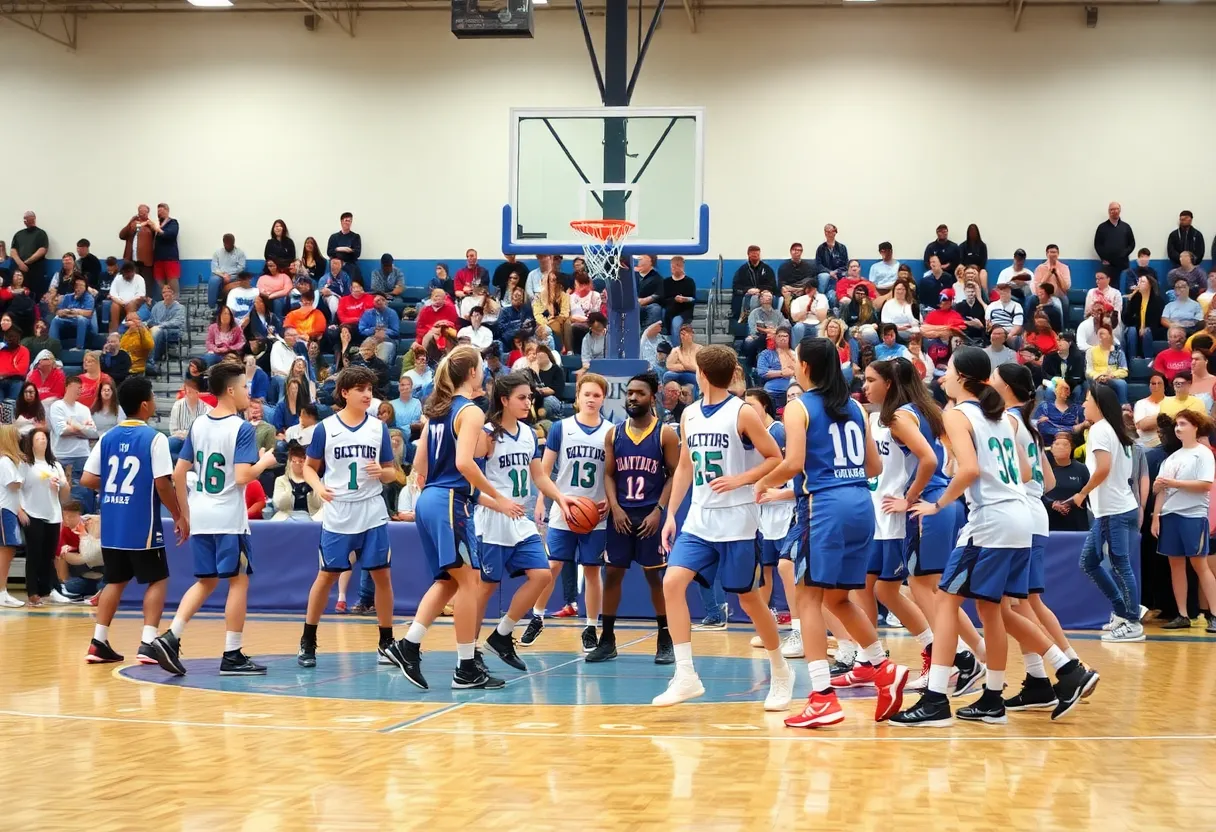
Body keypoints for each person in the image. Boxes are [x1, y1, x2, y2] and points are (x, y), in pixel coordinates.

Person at [891, 348, 1095, 726]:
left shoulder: (956, 413)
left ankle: (936, 699)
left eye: (947, 370)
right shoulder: (1001, 415)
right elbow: (1022, 471)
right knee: (995, 610)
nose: (942, 377)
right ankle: (1002, 695)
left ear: (963, 377)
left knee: (947, 602)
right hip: (1019, 517)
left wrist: (937, 505)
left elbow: (968, 471)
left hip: (992, 522)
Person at [747, 339, 905, 726]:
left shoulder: (799, 407)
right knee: (837, 600)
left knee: (806, 599)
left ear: (803, 366)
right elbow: (874, 466)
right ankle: (885, 670)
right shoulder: (854, 407)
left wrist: (762, 481)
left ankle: (821, 696)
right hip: (860, 506)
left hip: (824, 508)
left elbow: (795, 461)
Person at [649, 345, 788, 709]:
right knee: (672, 582)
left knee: (748, 599)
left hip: (738, 520)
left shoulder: (742, 413)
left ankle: (781, 671)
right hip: (699, 519)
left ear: (703, 375)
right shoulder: (690, 414)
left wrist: (741, 479)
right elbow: (683, 468)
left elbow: (775, 457)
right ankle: (685, 675)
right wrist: (671, 513)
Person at [390, 347, 522, 690]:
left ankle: (409, 645)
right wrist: (497, 495)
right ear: (474, 373)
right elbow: (465, 464)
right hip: (449, 502)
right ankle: (465, 667)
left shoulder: (438, 411)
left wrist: (488, 501)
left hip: (432, 499)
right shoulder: (471, 412)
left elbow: (419, 467)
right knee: (470, 583)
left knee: (449, 581)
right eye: (481, 368)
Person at [863, 359, 987, 694]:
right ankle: (974, 656)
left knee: (927, 593)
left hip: (926, 507)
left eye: (871, 379)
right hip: (935, 507)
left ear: (889, 383)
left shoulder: (900, 416)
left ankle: (962, 660)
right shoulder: (923, 410)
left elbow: (931, 461)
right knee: (927, 593)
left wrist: (910, 497)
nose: (865, 385)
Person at [148, 363, 278, 677]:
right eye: (245, 387)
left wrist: (183, 515)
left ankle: (170, 636)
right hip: (228, 518)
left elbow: (179, 472)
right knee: (238, 581)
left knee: (205, 581)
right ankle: (232, 654)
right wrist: (266, 461)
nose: (249, 393)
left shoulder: (198, 425)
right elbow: (243, 475)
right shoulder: (241, 427)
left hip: (202, 511)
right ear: (231, 390)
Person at [992, 364, 1092, 712]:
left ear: (1005, 386)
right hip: (1035, 512)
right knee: (1025, 603)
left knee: (1019, 604)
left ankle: (1072, 665)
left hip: (1020, 514)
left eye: (994, 378)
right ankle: (1040, 679)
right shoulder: (1031, 426)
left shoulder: (1008, 420)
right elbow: (1048, 483)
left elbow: (1021, 474)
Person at [296, 367, 400, 672]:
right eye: (361, 389)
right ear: (345, 393)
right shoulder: (325, 429)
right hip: (339, 512)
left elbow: (392, 471)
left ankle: (386, 642)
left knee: (382, 576)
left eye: (370, 389)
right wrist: (318, 487)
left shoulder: (378, 429)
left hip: (371, 511)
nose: (368, 394)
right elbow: (309, 468)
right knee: (326, 576)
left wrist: (384, 473)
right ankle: (308, 640)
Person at [80, 377, 188, 665]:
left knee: (114, 580)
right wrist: (178, 515)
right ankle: (148, 642)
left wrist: (114, 487)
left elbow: (87, 478)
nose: (154, 401)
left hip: (113, 525)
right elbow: (163, 484)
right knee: (158, 578)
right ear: (145, 405)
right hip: (141, 524)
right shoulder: (155, 438)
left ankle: (98, 641)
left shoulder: (107, 437)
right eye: (152, 396)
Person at [472, 373, 568, 672]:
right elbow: (471, 487)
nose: (529, 402)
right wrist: (498, 503)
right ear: (504, 400)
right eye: (522, 397)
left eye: (530, 397)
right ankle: (470, 649)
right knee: (485, 589)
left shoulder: (528, 433)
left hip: (520, 517)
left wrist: (562, 498)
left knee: (542, 574)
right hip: (492, 519)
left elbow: (539, 476)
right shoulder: (485, 435)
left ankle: (502, 634)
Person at [592, 373, 681, 664]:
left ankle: (665, 638)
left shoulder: (665, 433)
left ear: (652, 396)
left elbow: (674, 476)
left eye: (639, 393)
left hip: (649, 516)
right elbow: (608, 474)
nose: (632, 397)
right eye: (629, 393)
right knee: (613, 574)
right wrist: (615, 508)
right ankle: (607, 640)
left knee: (655, 576)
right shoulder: (614, 433)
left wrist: (659, 511)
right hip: (620, 515)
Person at [524, 374, 613, 652]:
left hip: (594, 513)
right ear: (577, 396)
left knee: (592, 571)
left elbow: (614, 474)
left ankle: (590, 626)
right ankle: (537, 617)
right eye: (586, 394)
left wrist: (610, 501)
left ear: (603, 399)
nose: (590, 399)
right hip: (564, 510)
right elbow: (544, 470)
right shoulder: (561, 428)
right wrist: (542, 501)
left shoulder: (611, 431)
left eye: (596, 395)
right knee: (552, 567)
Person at [1072, 383, 1145, 643]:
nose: (1083, 405)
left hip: (1113, 509)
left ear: (1099, 404)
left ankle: (1133, 621)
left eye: (1087, 400)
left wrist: (1082, 493)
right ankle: (1123, 611)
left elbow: (1102, 469)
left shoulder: (1101, 430)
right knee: (1089, 562)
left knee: (1119, 564)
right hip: (1116, 507)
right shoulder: (1115, 430)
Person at [744, 388, 804, 659]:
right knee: (766, 571)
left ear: (765, 406)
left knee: (789, 571)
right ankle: (767, 627)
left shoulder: (779, 431)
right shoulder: (749, 433)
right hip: (766, 512)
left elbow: (796, 471)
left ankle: (799, 629)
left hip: (787, 508)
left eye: (752, 405)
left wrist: (780, 491)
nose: (747, 410)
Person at [1152, 409, 1216, 631]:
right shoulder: (1172, 458)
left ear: (1195, 427)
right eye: (1177, 424)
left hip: (1193, 515)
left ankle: (1214, 614)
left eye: (1183, 424)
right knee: (1175, 565)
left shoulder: (1204, 453)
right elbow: (1159, 489)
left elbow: (1206, 484)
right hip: (1170, 515)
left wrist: (1174, 483)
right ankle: (1182, 614)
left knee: (1200, 564)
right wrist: (1156, 516)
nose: (1178, 428)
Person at [17, 427, 66, 607]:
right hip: (32, 513)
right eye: (39, 439)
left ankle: (47, 590)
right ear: (31, 443)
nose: (43, 441)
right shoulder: (26, 465)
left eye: (45, 438)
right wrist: (20, 510)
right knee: (34, 553)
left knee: (48, 555)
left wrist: (61, 484)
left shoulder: (55, 466)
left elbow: (66, 493)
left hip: (53, 514)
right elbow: (17, 489)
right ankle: (32, 592)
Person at [49, 375, 97, 484]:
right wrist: (83, 428)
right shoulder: (57, 406)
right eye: (77, 387)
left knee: (83, 491)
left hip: (83, 455)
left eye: (81, 388)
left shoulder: (84, 409)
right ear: (68, 387)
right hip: (62, 455)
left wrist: (74, 425)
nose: (80, 390)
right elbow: (62, 431)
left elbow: (93, 433)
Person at [1043, 432, 1090, 531]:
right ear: (1051, 448)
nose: (1061, 447)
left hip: (1076, 523)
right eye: (1057, 444)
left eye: (1065, 444)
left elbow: (1088, 494)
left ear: (1071, 448)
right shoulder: (1043, 468)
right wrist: (1053, 504)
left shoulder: (1081, 469)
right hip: (1049, 523)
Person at [0, 426, 25, 608]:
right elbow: (14, 485)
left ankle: (4, 591)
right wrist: (24, 478)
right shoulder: (5, 461)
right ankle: (1, 592)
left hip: (10, 509)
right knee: (5, 551)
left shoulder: (9, 461)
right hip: (4, 510)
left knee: (9, 551)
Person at [271, 441, 322, 521]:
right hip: (287, 515)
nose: (297, 464)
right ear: (290, 462)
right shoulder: (281, 480)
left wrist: (312, 490)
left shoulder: (315, 479)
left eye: (301, 461)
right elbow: (278, 505)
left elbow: (319, 504)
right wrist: (289, 492)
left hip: (312, 516)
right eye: (294, 461)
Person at [1086, 324, 1129, 404]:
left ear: (1110, 336)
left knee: (1122, 384)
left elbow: (1124, 370)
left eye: (1103, 334)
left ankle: (1124, 408)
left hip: (1112, 378)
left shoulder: (1118, 352)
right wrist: (1099, 376)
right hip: (1097, 379)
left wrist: (1111, 375)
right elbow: (1089, 370)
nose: (1100, 336)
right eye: (1099, 334)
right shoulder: (1090, 351)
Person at [169, 377, 211, 458]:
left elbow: (204, 434)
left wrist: (185, 433)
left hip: (197, 443)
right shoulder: (177, 406)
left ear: (198, 393)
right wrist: (187, 435)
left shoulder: (207, 409)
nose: (187, 393)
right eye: (186, 390)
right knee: (171, 442)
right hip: (180, 441)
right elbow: (173, 430)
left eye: (190, 391)